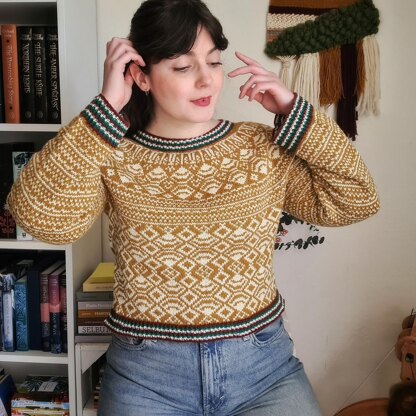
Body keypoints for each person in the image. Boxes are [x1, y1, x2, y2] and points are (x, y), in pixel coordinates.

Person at [7, 0, 380, 414]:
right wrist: (105, 109)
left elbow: (356, 201)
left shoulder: (260, 148)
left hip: (263, 372)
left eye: (214, 62)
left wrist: (297, 112)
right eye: (183, 66)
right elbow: (42, 219)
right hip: (146, 379)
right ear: (141, 76)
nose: (207, 80)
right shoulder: (112, 154)